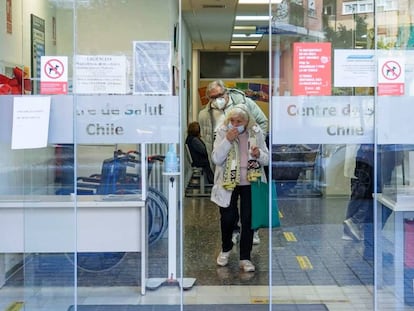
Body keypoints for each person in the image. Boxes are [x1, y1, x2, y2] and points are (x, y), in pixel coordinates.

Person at [198, 80, 268, 245]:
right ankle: (234, 232)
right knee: (228, 205)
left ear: (226, 93)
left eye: (219, 96)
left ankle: (252, 232)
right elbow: (208, 141)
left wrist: (256, 143)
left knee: (250, 206)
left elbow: (262, 122)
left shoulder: (245, 103)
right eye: (212, 97)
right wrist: (214, 160)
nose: (216, 100)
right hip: (225, 162)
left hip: (247, 162)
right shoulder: (205, 114)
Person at [210, 106, 269, 272]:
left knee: (248, 220)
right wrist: (227, 140)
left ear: (247, 121)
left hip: (251, 182)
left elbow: (267, 159)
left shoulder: (255, 132)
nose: (235, 124)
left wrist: (259, 155)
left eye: (239, 121)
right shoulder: (222, 132)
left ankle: (245, 257)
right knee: (228, 218)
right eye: (232, 121)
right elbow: (216, 158)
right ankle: (226, 249)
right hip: (228, 182)